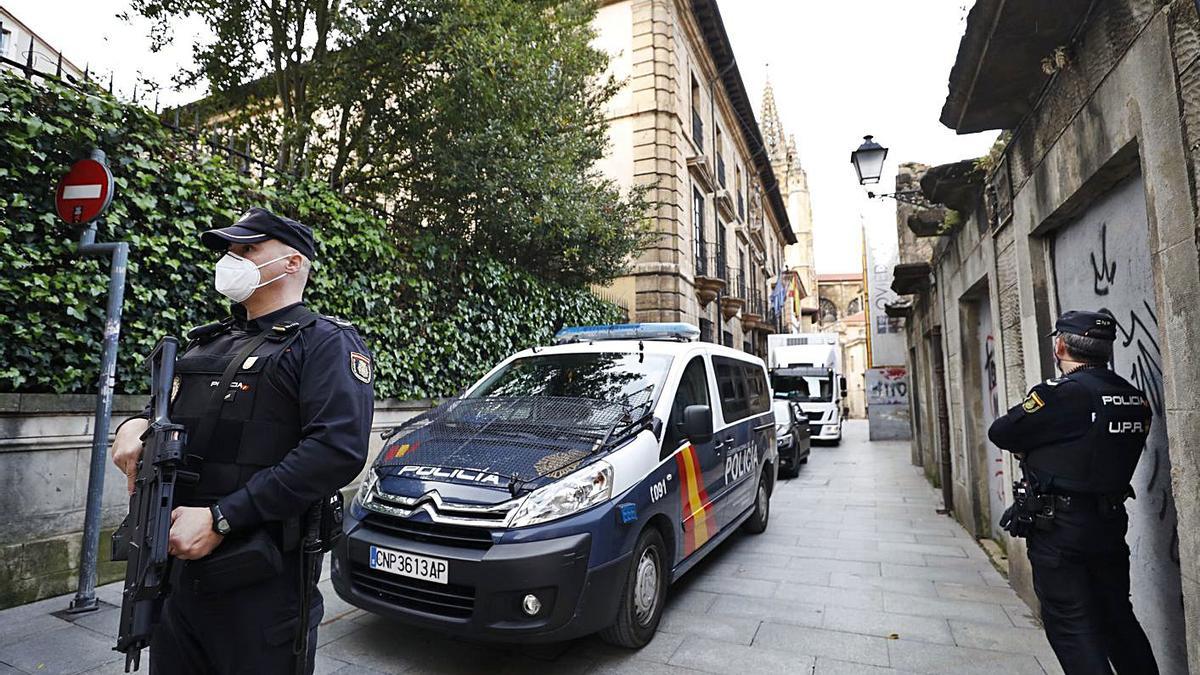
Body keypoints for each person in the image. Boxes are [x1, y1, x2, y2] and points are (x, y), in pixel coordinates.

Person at [110, 207, 375, 674]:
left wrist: (221, 519)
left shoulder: (324, 342)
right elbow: (167, 419)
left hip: (260, 580)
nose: (232, 259)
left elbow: (335, 451)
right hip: (173, 574)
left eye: (247, 249)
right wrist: (131, 427)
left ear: (292, 263)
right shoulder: (204, 344)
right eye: (230, 250)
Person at [988, 310, 1157, 675]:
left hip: (1062, 529)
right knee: (1117, 620)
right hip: (1109, 524)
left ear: (1061, 346)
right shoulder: (1134, 396)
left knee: (1071, 624)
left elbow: (1002, 432)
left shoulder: (1063, 395)